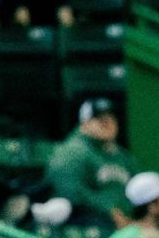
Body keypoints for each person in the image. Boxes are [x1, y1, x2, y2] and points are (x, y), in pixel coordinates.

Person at [46, 97, 135, 227]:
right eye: (100, 119)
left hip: (126, 224)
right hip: (88, 223)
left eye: (111, 118)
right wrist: (109, 211)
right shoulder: (72, 152)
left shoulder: (123, 157)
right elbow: (69, 191)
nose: (108, 123)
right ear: (84, 124)